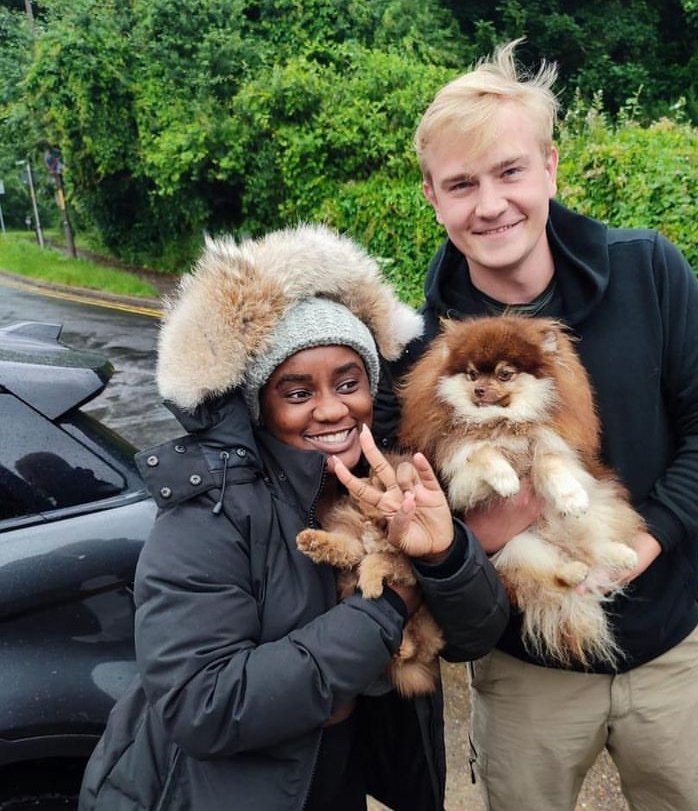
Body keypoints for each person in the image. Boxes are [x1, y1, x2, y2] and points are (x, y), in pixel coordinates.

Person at [373, 39, 698, 811]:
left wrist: (647, 544)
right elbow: (402, 500)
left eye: (510, 171)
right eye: (461, 184)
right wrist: (478, 533)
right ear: (432, 196)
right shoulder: (413, 344)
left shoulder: (650, 272)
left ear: (550, 166)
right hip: (523, 672)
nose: (490, 204)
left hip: (665, 656)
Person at [78, 224, 509, 811]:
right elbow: (203, 704)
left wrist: (445, 556)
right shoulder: (211, 512)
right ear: (263, 404)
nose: (332, 409)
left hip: (337, 776)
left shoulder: (398, 480)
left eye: (349, 383)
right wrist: (384, 612)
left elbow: (477, 634)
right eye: (298, 392)